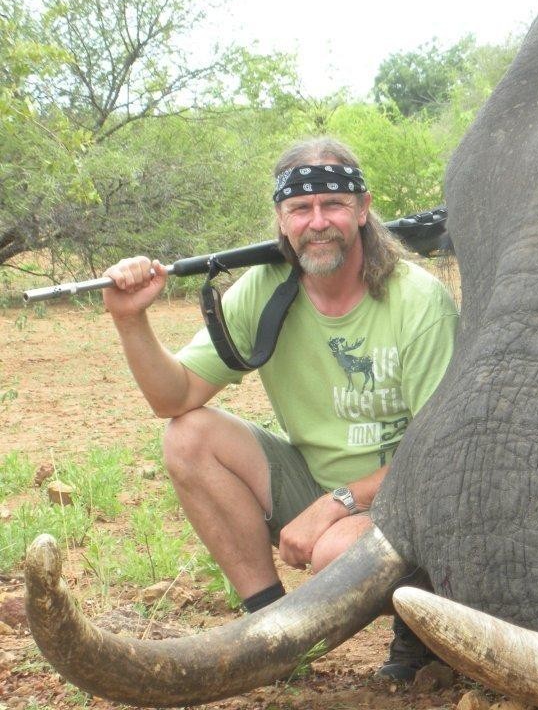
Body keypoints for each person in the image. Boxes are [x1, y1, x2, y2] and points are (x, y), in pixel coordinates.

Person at [102, 136, 459, 682]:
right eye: (300, 208)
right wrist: (131, 320)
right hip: (318, 485)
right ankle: (269, 634)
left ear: (363, 210)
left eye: (334, 205)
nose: (318, 222)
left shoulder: (418, 300)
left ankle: (422, 627)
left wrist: (337, 505)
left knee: (337, 550)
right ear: (281, 218)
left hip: (414, 498)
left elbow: (439, 456)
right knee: (188, 435)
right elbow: (172, 398)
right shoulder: (265, 288)